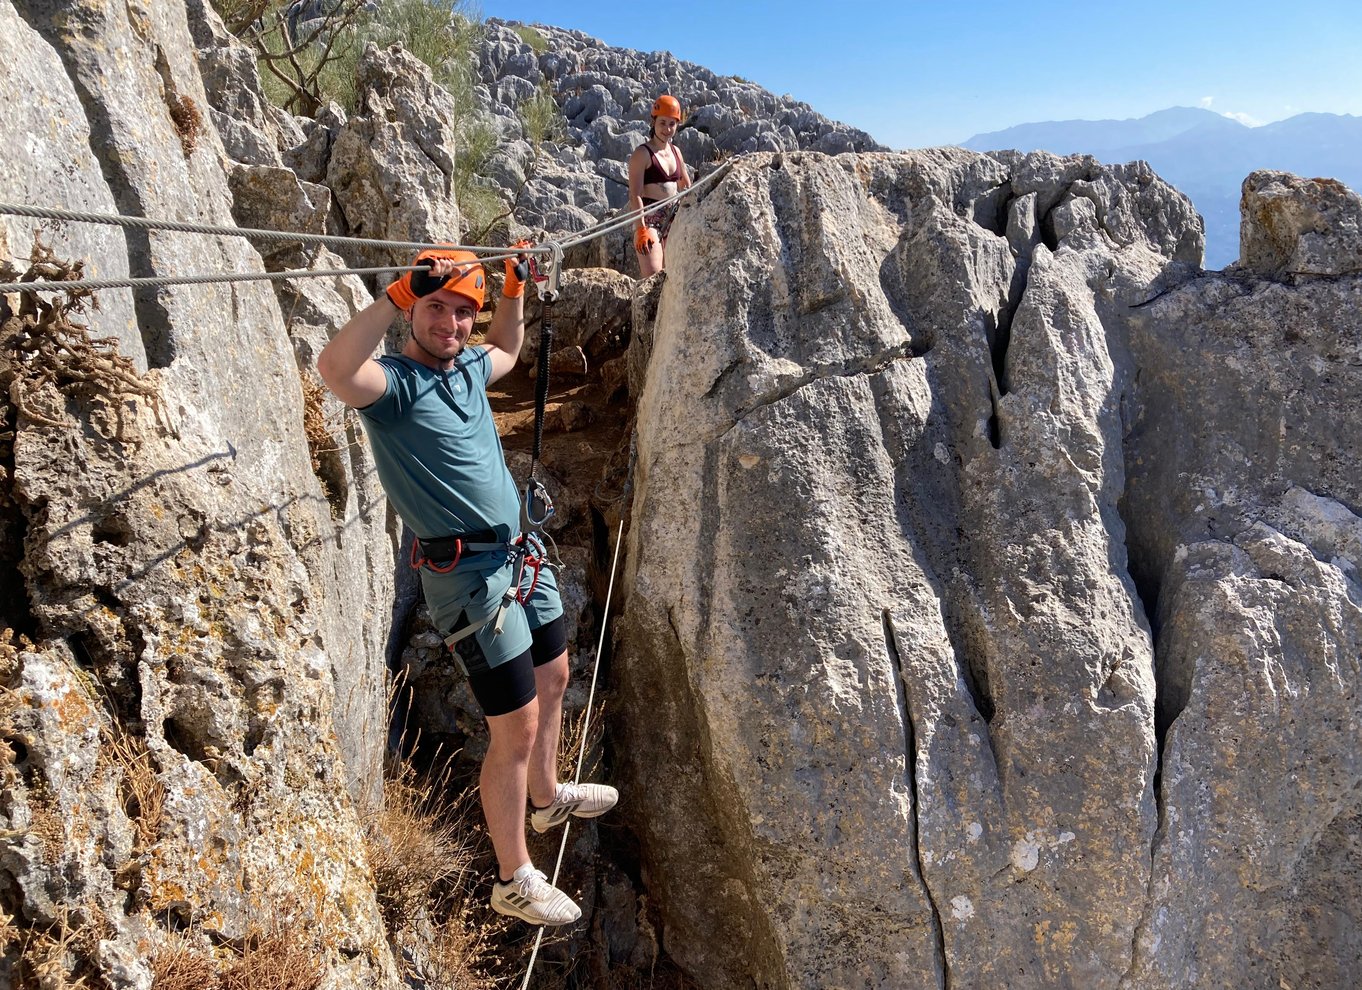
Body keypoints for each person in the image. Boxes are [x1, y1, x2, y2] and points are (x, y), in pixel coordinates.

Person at [316, 247, 619, 927]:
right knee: (514, 729)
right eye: (435, 308)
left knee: (556, 675)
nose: (450, 323)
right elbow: (335, 369)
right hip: (470, 583)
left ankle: (547, 798)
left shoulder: (466, 370)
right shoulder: (392, 385)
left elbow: (506, 347)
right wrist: (397, 293)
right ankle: (515, 877)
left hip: (519, 557)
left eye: (462, 311)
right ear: (413, 312)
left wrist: (512, 290)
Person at [628, 94, 691, 277]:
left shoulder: (676, 152)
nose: (667, 129)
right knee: (653, 276)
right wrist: (640, 229)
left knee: (674, 275)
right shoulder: (642, 154)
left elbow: (686, 187)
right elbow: (635, 195)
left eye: (672, 124)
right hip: (650, 221)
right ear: (653, 121)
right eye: (662, 123)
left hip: (674, 217)